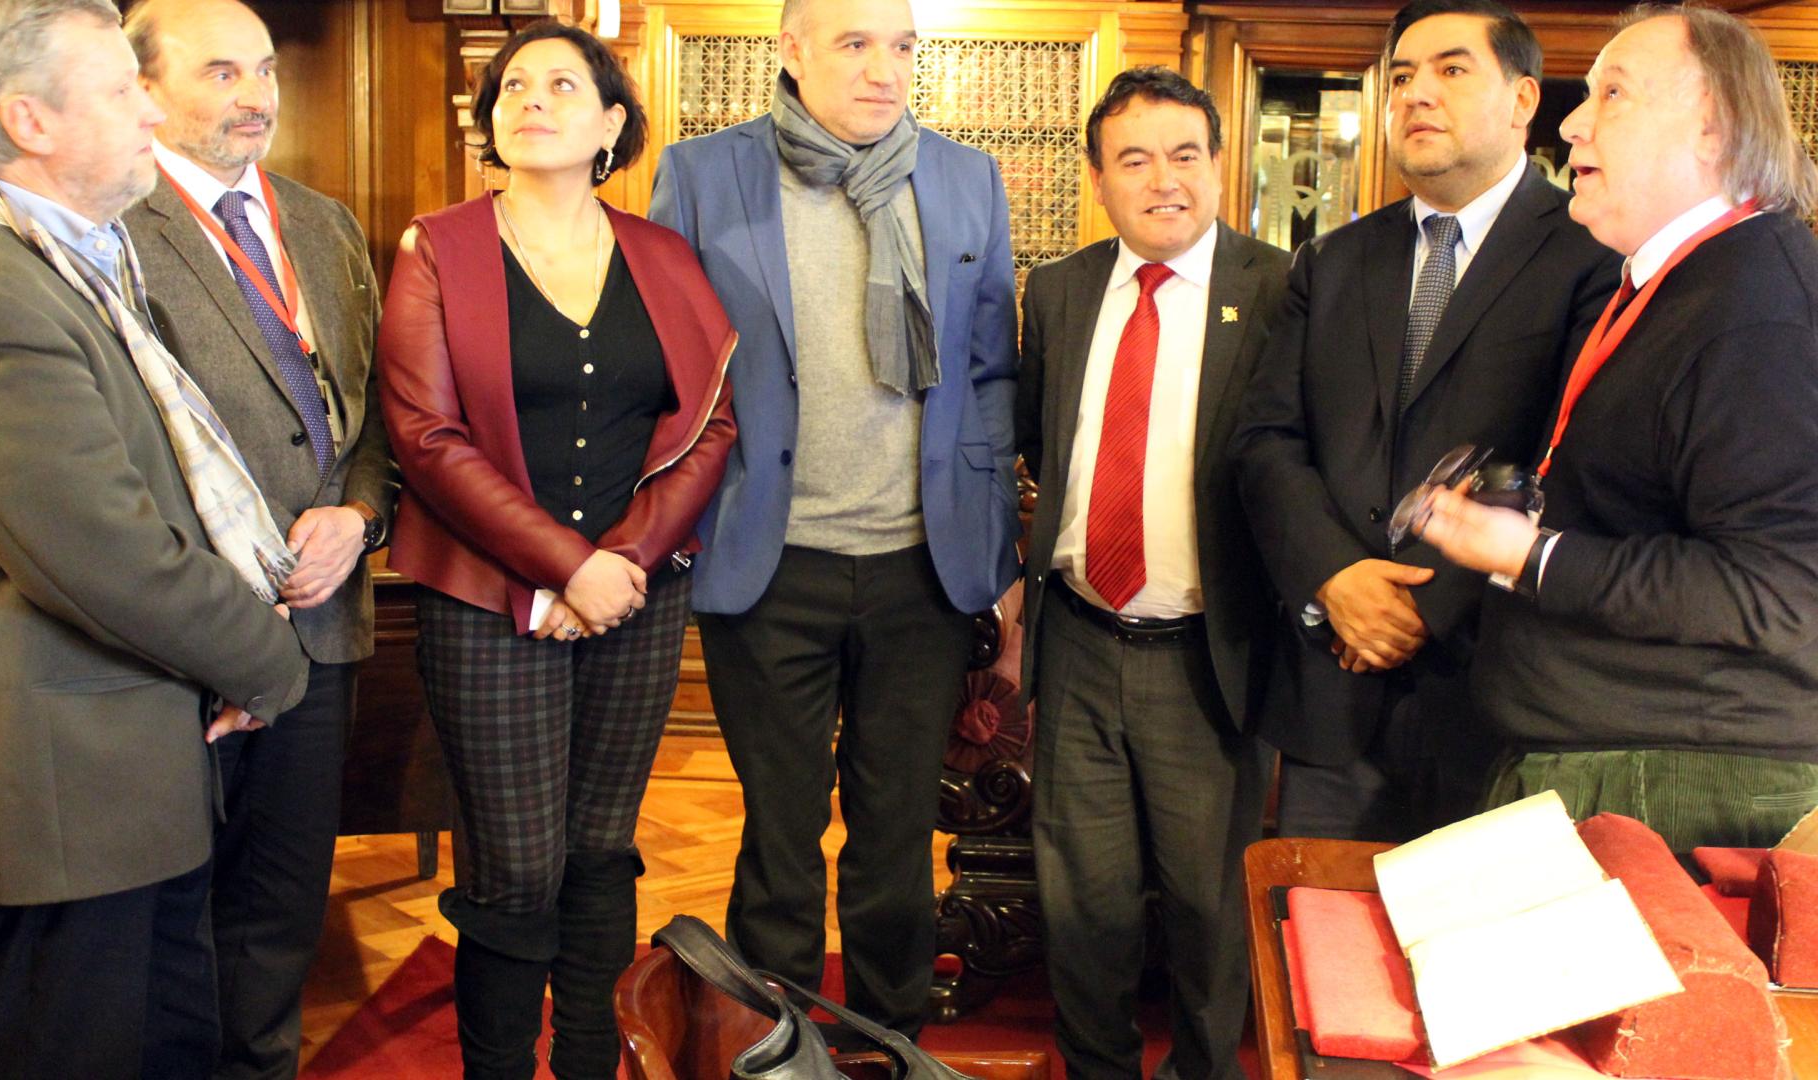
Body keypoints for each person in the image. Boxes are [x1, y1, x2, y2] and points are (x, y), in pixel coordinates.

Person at [0, 0, 311, 1076]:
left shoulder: (62, 257)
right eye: (123, 90)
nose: (150, 114)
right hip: (67, 794)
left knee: (166, 1042)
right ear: (31, 122)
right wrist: (272, 658)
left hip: (123, 769)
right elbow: (112, 562)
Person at [647, 0, 1020, 1034]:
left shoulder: (962, 178)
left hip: (920, 566)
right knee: (780, 833)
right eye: (856, 44)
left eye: (902, 46)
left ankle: (892, 1038)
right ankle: (779, 1042)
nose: (884, 70)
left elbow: (990, 371)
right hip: (768, 561)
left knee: (897, 833)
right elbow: (671, 370)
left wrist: (994, 552)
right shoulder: (703, 173)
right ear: (793, 50)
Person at [378, 20, 736, 1080]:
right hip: (486, 601)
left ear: (612, 122)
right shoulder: (434, 248)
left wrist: (618, 563)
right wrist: (563, 565)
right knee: (516, 867)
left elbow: (712, 420)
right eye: (512, 85)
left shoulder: (664, 257)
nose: (532, 98)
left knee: (598, 850)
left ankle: (591, 1061)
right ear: (489, 120)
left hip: (635, 600)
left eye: (562, 84)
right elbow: (423, 436)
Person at [1414, 2, 1818, 853]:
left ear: (1713, 128)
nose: (1572, 121)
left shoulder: (1756, 305)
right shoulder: (1683, 280)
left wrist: (1530, 556)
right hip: (1618, 763)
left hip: (1677, 786)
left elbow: (1779, 589)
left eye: (1612, 95)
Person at [1233, 0, 1619, 842]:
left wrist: (1420, 611)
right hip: (1332, 683)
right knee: (1315, 948)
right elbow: (1267, 441)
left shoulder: (1593, 257)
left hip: (1492, 693)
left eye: (1451, 70)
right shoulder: (1333, 260)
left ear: (1523, 101)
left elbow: (1577, 463)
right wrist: (1337, 580)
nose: (1415, 95)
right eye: (1401, 77)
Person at [117, 1, 397, 1074]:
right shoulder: (112, 225)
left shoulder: (320, 222)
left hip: (324, 624)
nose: (256, 96)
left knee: (283, 900)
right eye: (223, 73)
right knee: (174, 910)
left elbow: (373, 414)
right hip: (183, 638)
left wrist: (360, 516)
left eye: (266, 71)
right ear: (142, 90)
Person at [1015, 67, 1287, 1080]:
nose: (1162, 179)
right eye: (1134, 159)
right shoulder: (1060, 289)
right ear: (1098, 177)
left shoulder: (1277, 291)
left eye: (1184, 155)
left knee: (1212, 912)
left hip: (1205, 656)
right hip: (1080, 639)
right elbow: (1044, 444)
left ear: (1220, 166)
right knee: (1081, 901)